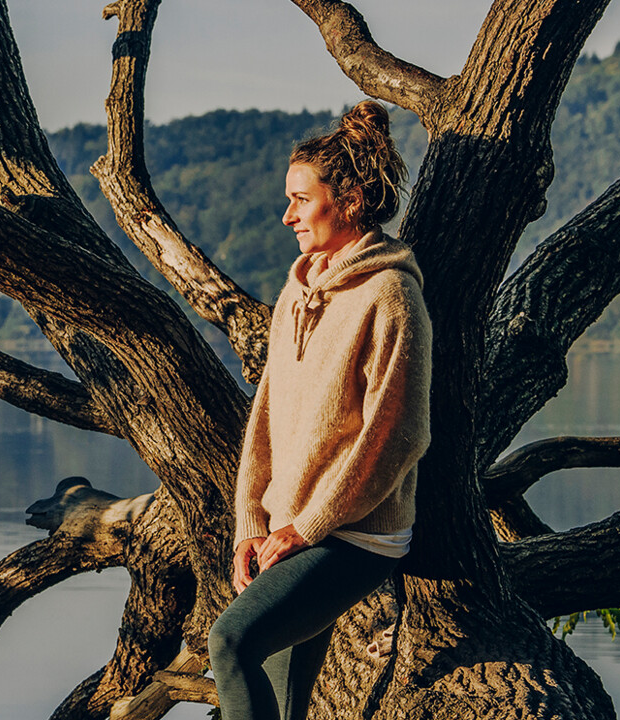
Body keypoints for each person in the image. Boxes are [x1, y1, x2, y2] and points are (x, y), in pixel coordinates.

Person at [207, 100, 432, 720]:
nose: (287, 216)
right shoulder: (297, 289)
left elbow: (398, 436)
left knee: (229, 642)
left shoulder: (390, 294)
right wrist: (251, 523)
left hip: (358, 533)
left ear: (351, 198)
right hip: (289, 529)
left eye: (300, 200)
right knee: (283, 704)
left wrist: (307, 527)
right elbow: (267, 419)